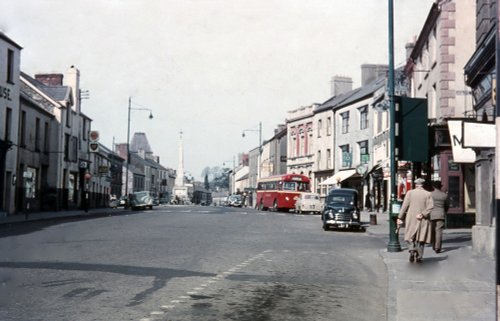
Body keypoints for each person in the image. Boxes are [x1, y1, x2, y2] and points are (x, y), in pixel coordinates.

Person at [397, 178, 434, 263]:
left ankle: (412, 249)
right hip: (423, 218)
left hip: (411, 217)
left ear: (416, 184)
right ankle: (419, 256)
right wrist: (423, 214)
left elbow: (404, 206)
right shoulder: (428, 194)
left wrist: (400, 217)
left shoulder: (410, 193)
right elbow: (431, 207)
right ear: (423, 185)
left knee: (410, 235)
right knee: (421, 237)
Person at [430, 180, 449, 253]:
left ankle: (433, 245)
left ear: (433, 187)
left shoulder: (430, 195)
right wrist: (444, 211)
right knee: (439, 231)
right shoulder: (444, 195)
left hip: (431, 214)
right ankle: (438, 247)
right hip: (441, 214)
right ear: (440, 186)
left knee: (432, 231)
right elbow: (447, 206)